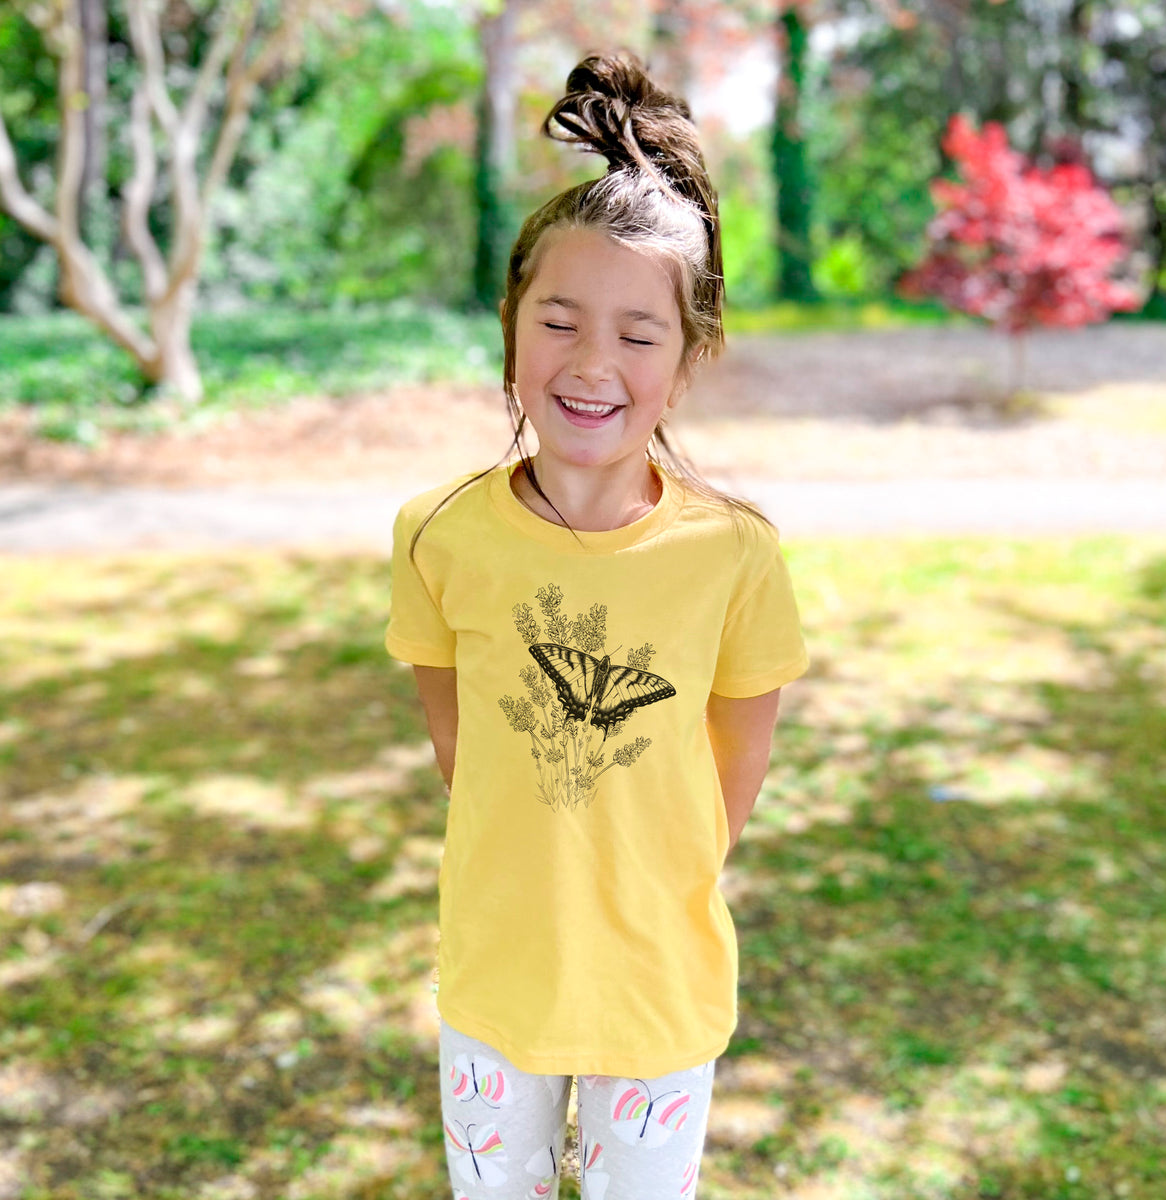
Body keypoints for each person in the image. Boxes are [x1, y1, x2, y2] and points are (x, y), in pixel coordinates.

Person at [385, 51, 809, 1200]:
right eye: (559, 320)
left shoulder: (733, 555)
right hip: (497, 981)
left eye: (638, 334)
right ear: (512, 328)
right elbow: (461, 748)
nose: (591, 363)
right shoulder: (436, 537)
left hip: (658, 992)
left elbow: (740, 759)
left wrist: (644, 871)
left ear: (686, 361)